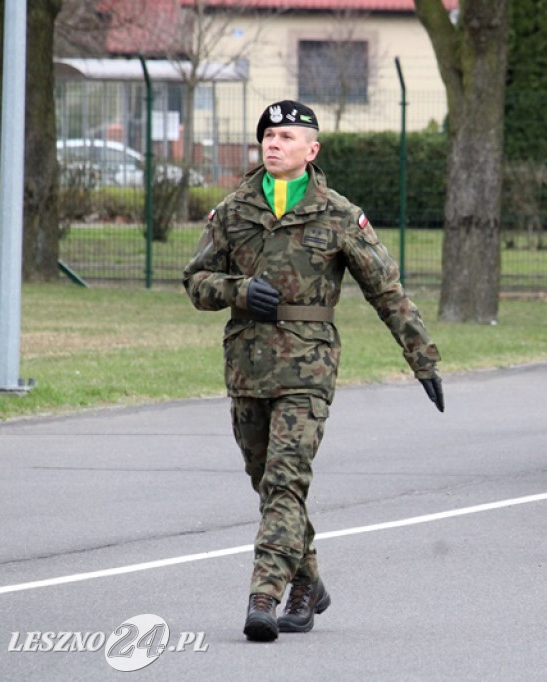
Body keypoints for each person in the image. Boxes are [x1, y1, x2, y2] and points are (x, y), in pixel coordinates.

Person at [182, 100, 444, 641]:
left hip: (309, 367)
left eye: (285, 136)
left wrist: (423, 357)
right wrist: (236, 290)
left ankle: (265, 595)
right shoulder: (233, 211)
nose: (273, 143)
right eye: (268, 135)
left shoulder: (339, 214)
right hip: (247, 366)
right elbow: (195, 281)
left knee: (285, 480)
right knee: (268, 483)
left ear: (312, 150)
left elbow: (386, 290)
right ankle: (311, 581)